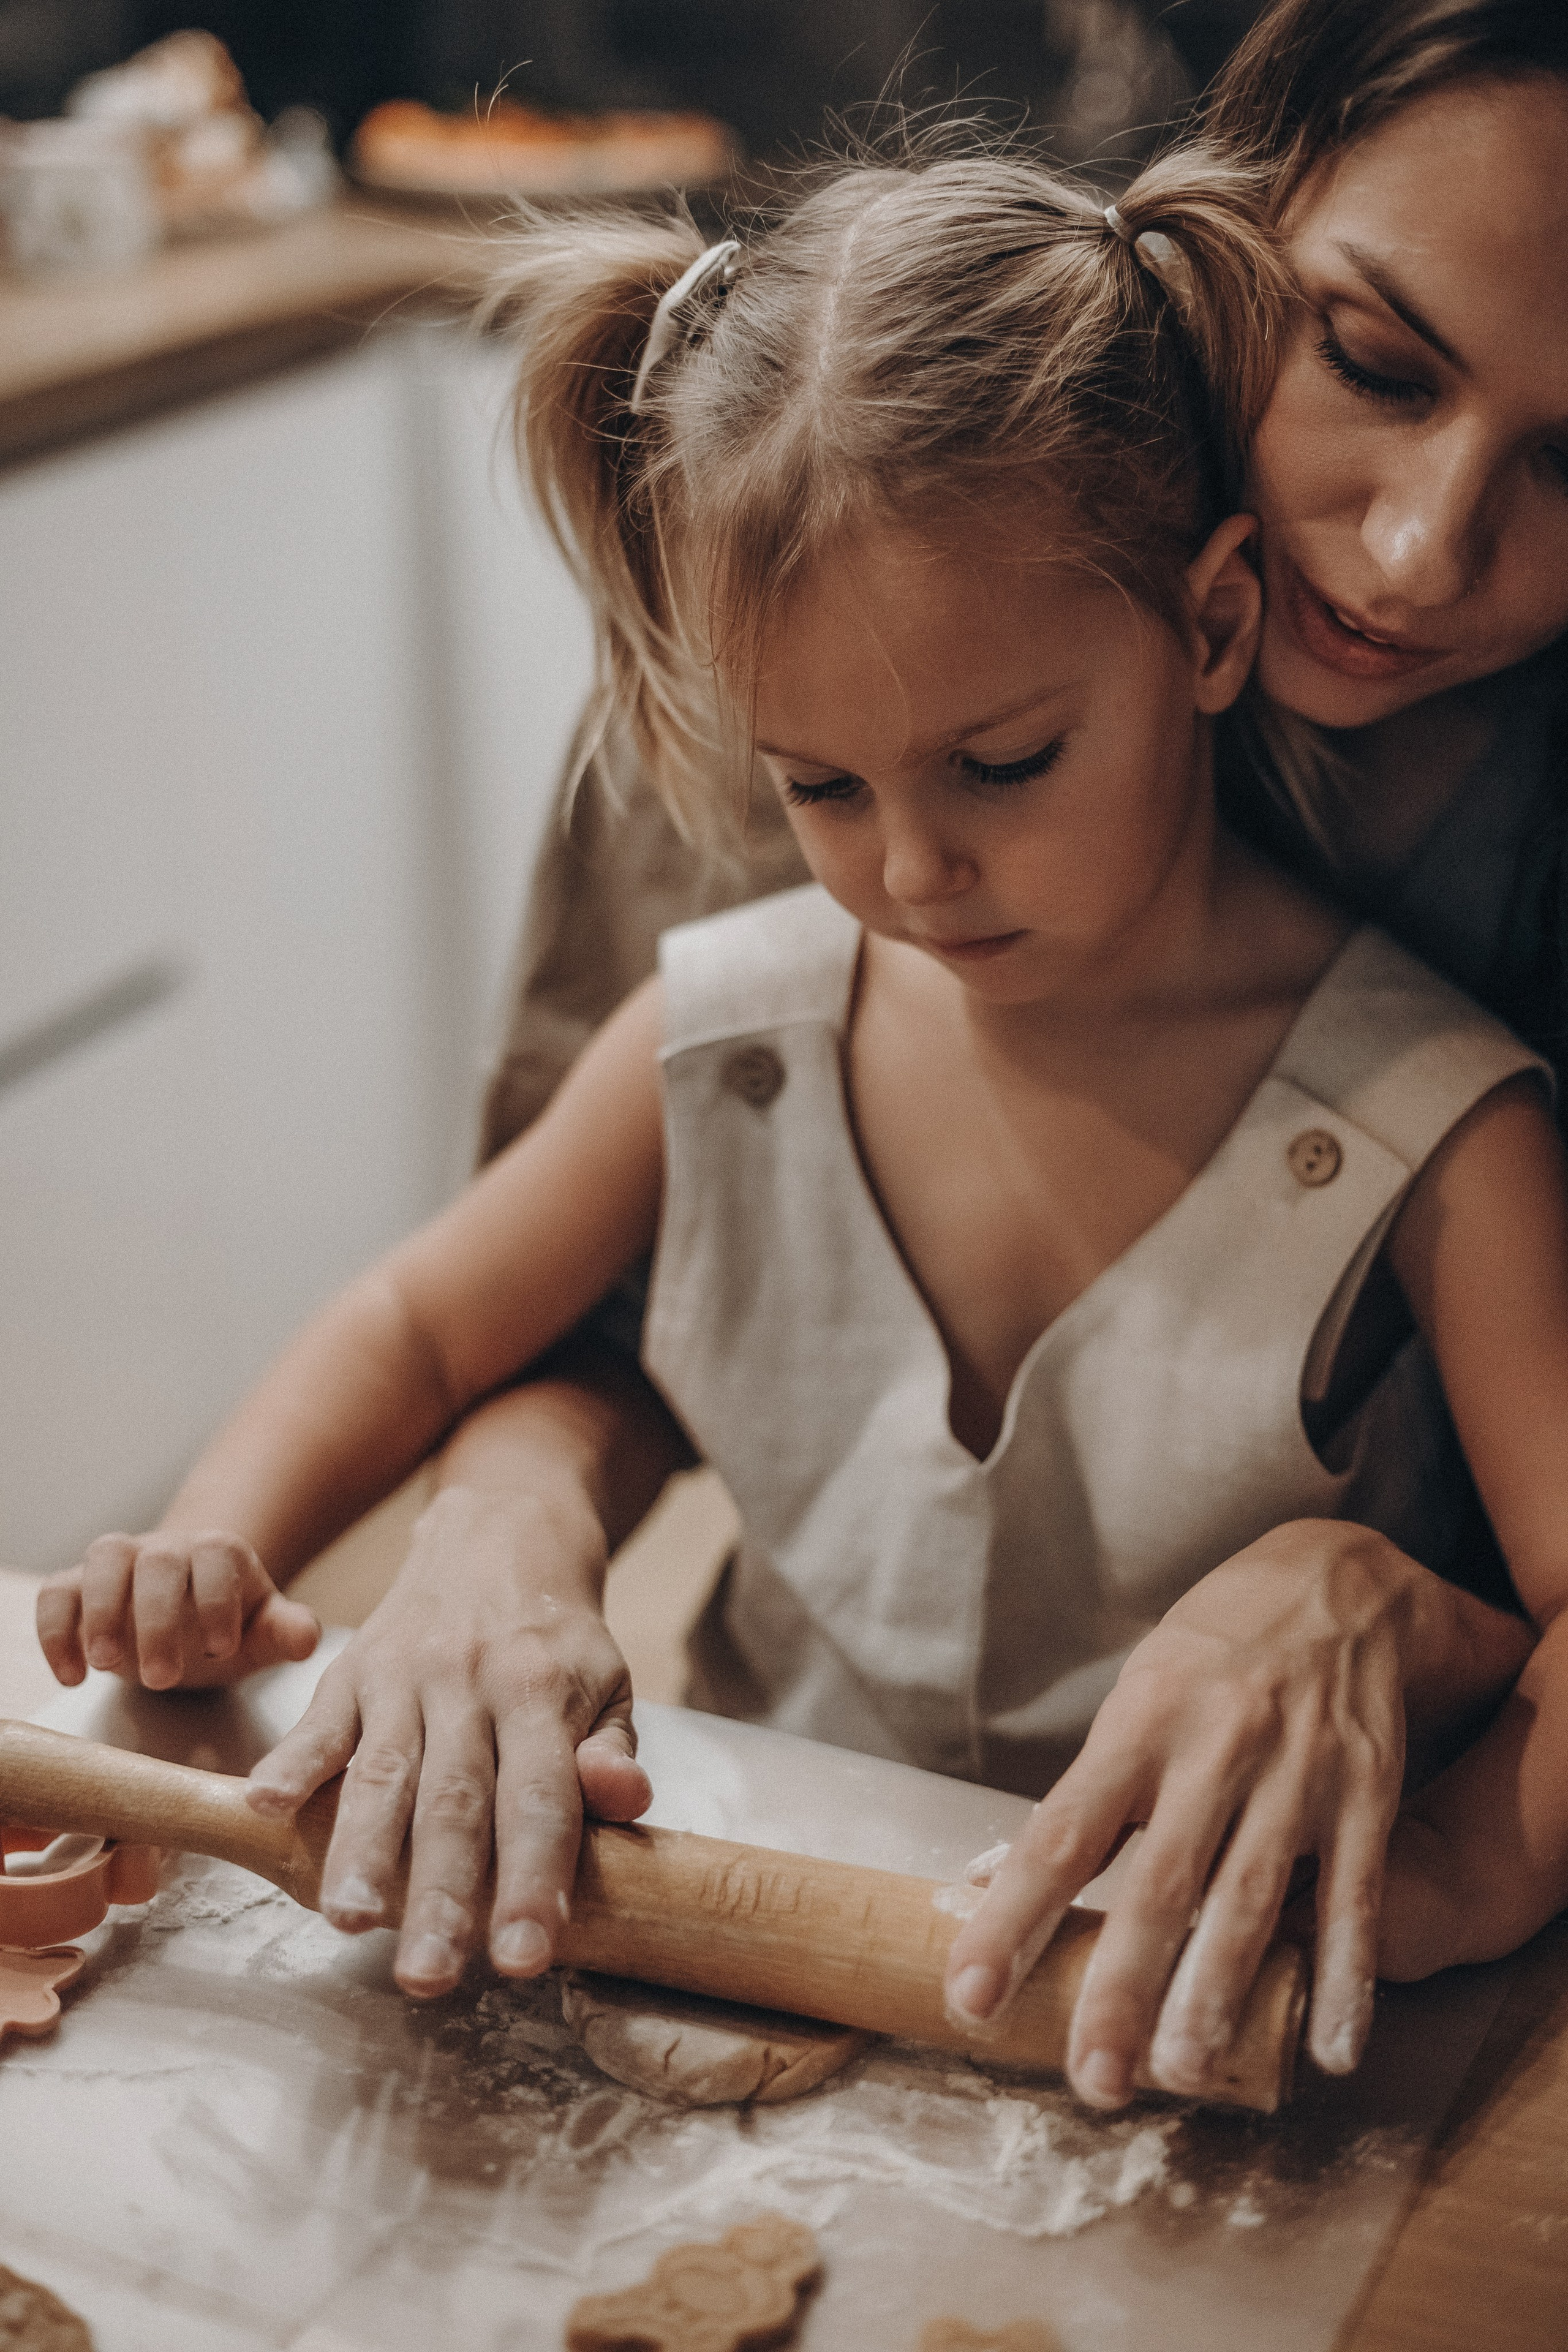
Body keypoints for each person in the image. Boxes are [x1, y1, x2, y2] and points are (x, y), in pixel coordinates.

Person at [34, 100, 1568, 2110]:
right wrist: (211, 1560)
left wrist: (1457, 1871)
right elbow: (419, 1328)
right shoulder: (727, 1035)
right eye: (820, 788)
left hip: (1171, 2012)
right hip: (719, 1930)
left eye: (1003, 763)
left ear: (1207, 626)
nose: (908, 872)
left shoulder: (1445, 1136)